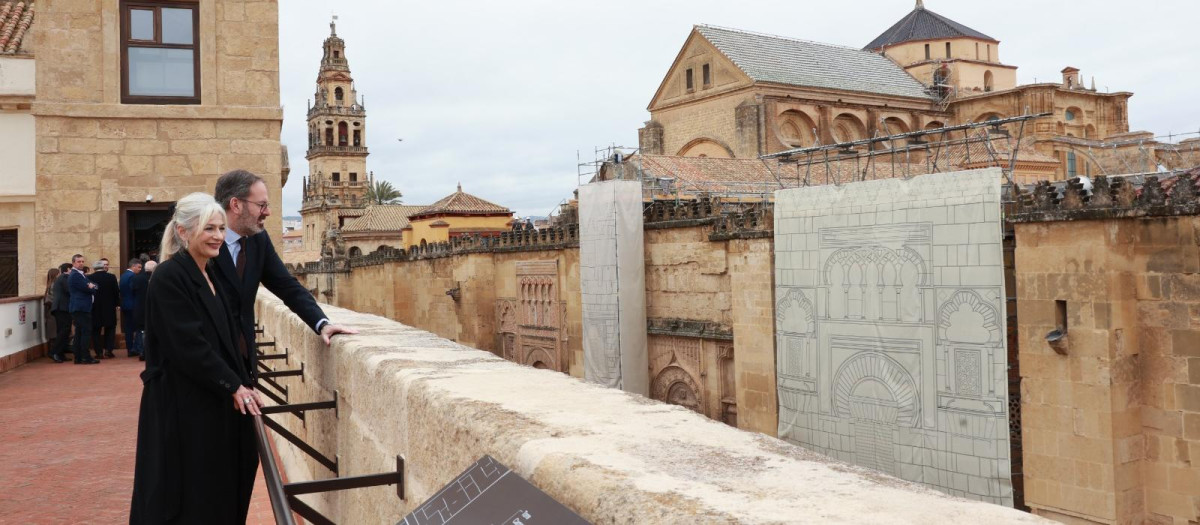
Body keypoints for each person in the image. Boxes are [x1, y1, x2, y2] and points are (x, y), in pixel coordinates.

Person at [130, 193, 262, 524]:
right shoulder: (169, 277)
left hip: (209, 403)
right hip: (182, 407)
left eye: (220, 228)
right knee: (187, 494)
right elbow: (188, 345)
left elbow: (228, 338)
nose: (218, 236)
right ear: (183, 231)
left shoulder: (211, 272)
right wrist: (234, 386)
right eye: (209, 228)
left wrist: (244, 382)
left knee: (217, 488)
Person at [67, 254, 99, 365]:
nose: (81, 263)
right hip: (81, 307)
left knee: (80, 333)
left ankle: (79, 357)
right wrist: (91, 287)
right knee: (85, 332)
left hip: (81, 307)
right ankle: (85, 357)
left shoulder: (81, 274)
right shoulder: (75, 275)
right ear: (73, 263)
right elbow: (88, 289)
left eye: (82, 261)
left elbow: (95, 286)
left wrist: (92, 286)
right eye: (78, 261)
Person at [89, 259, 120, 359]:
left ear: (94, 268)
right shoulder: (111, 277)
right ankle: (108, 350)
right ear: (103, 267)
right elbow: (116, 291)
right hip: (109, 307)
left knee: (96, 330)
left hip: (95, 307)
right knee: (110, 329)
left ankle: (98, 352)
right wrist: (117, 304)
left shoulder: (90, 277)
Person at [130, 260, 155, 361]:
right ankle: (149, 352)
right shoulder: (156, 277)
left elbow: (132, 289)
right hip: (152, 307)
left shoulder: (137, 278)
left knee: (141, 331)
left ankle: (142, 351)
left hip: (140, 307)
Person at [49, 263, 73, 363]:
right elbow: (70, 290)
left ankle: (60, 353)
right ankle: (54, 352)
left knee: (63, 331)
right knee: (64, 330)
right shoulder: (64, 277)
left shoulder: (62, 278)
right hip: (62, 308)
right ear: (68, 269)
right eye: (72, 269)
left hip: (62, 308)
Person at [120, 259, 143, 357]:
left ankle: (130, 348)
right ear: (133, 266)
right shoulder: (132, 276)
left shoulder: (123, 275)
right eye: (139, 267)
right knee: (138, 327)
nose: (140, 269)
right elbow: (133, 290)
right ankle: (136, 348)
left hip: (125, 304)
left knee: (128, 328)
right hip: (133, 305)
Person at [42, 268, 60, 362]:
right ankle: (53, 353)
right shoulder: (54, 285)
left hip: (50, 311)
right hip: (53, 311)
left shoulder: (49, 285)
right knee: (54, 332)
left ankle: (54, 352)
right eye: (58, 273)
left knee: (53, 332)